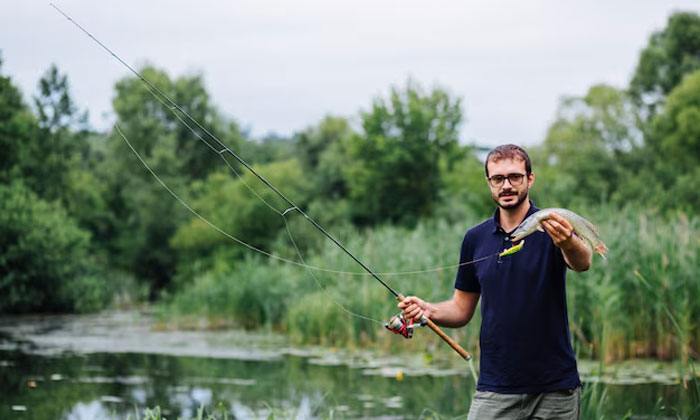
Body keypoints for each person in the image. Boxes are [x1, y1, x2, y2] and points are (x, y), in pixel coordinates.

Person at [399, 144, 592, 420]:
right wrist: (428, 310)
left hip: (556, 388)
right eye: (498, 179)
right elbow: (461, 309)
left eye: (515, 177)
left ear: (530, 179)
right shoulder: (475, 239)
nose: (507, 185)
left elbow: (582, 262)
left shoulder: (552, 226)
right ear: (489, 183)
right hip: (496, 387)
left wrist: (569, 241)